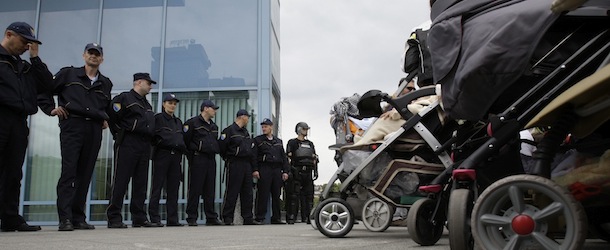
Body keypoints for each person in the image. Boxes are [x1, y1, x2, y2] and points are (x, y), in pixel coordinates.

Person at [37, 43, 112, 231]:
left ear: (102, 59)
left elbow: (105, 105)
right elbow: (45, 90)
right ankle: (65, 218)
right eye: (90, 53)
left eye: (97, 54)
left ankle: (78, 217)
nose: (93, 56)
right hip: (73, 125)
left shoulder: (106, 83)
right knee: (69, 172)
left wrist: (104, 118)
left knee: (85, 174)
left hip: (94, 129)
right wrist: (50, 109)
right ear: (84, 55)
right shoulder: (68, 74)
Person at [0, 21, 53, 232]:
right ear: (9, 34)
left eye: (30, 43)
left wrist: (35, 58)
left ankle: (10, 217)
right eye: (24, 41)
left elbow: (49, 85)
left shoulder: (25, 67)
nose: (26, 46)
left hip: (19, 121)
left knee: (14, 172)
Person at [105, 73, 157, 228]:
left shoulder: (147, 105)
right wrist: (119, 134)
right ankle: (114, 217)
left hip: (144, 144)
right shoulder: (124, 98)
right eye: (148, 83)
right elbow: (112, 116)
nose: (151, 86)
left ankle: (139, 217)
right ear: (139, 82)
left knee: (141, 182)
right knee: (121, 180)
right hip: (128, 142)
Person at [183, 100, 224, 226]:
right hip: (198, 158)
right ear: (205, 108)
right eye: (213, 108)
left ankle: (211, 217)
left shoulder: (214, 126)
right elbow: (186, 142)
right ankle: (192, 217)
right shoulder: (192, 123)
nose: (215, 111)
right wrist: (192, 158)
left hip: (211, 159)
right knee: (195, 188)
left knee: (210, 189)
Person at [147, 93, 185, 227]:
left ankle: (172, 219)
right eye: (170, 103)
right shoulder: (158, 119)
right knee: (157, 187)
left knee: (173, 188)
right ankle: (154, 218)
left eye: (174, 103)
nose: (172, 106)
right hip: (162, 155)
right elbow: (152, 136)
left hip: (176, 157)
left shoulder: (178, 122)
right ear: (164, 104)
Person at [219, 109, 255, 225]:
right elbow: (222, 147)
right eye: (247, 117)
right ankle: (227, 217)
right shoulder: (229, 130)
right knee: (232, 190)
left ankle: (248, 217)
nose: (248, 120)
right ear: (242, 117)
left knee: (247, 192)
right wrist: (230, 158)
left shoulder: (246, 133)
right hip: (235, 163)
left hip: (246, 164)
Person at [252, 118, 290, 225]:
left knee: (276, 194)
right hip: (265, 168)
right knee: (263, 194)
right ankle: (260, 217)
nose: (264, 129)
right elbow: (254, 157)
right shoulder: (258, 140)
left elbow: (284, 158)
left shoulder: (278, 141)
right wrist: (255, 170)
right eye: (262, 127)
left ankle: (276, 218)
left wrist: (285, 171)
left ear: (271, 127)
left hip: (277, 169)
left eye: (266, 126)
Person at [285, 122, 318, 224]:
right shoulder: (292, 142)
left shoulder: (310, 144)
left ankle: (308, 217)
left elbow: (314, 158)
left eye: (307, 129)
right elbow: (288, 158)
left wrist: (316, 170)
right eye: (304, 129)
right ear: (299, 129)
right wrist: (289, 171)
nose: (306, 131)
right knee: (294, 196)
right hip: (296, 171)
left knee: (308, 196)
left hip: (308, 172)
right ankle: (291, 217)